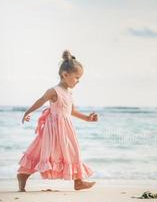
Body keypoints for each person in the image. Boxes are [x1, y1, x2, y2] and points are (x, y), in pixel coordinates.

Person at [16, 50, 97, 192]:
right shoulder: (54, 91)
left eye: (80, 78)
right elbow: (41, 101)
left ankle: (78, 181)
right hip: (53, 130)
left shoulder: (69, 93)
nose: (78, 81)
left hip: (66, 129)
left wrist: (87, 119)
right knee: (40, 151)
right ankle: (23, 175)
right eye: (76, 77)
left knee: (74, 151)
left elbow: (71, 112)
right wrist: (27, 112)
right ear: (65, 75)